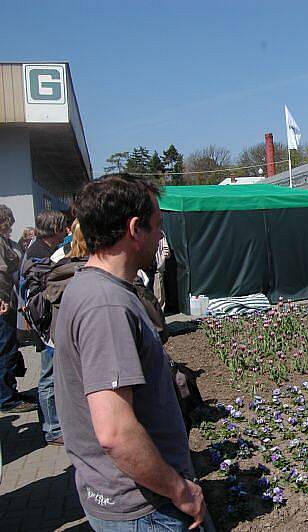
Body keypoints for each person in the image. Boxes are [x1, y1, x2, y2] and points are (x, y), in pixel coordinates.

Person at [54, 176, 205, 530]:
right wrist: (180, 489)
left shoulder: (92, 287)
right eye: (158, 227)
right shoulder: (105, 306)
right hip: (144, 508)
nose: (160, 238)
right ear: (135, 228)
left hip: (129, 499)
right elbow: (115, 433)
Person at [21, 210, 68, 445]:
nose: (67, 230)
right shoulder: (39, 255)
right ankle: (52, 428)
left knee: (51, 375)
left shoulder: (43, 250)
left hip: (47, 321)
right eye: (63, 226)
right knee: (48, 377)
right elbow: (33, 291)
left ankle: (53, 424)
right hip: (47, 324)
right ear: (54, 228)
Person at [0, 205, 35, 414]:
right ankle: (6, 398)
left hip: (7, 301)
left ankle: (9, 392)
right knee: (5, 350)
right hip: (3, 304)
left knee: (8, 348)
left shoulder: (4, 241)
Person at [154, 231, 171, 309]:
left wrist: (161, 260)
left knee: (159, 292)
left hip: (157, 267)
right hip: (145, 267)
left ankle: (160, 313)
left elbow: (166, 250)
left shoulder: (160, 233)